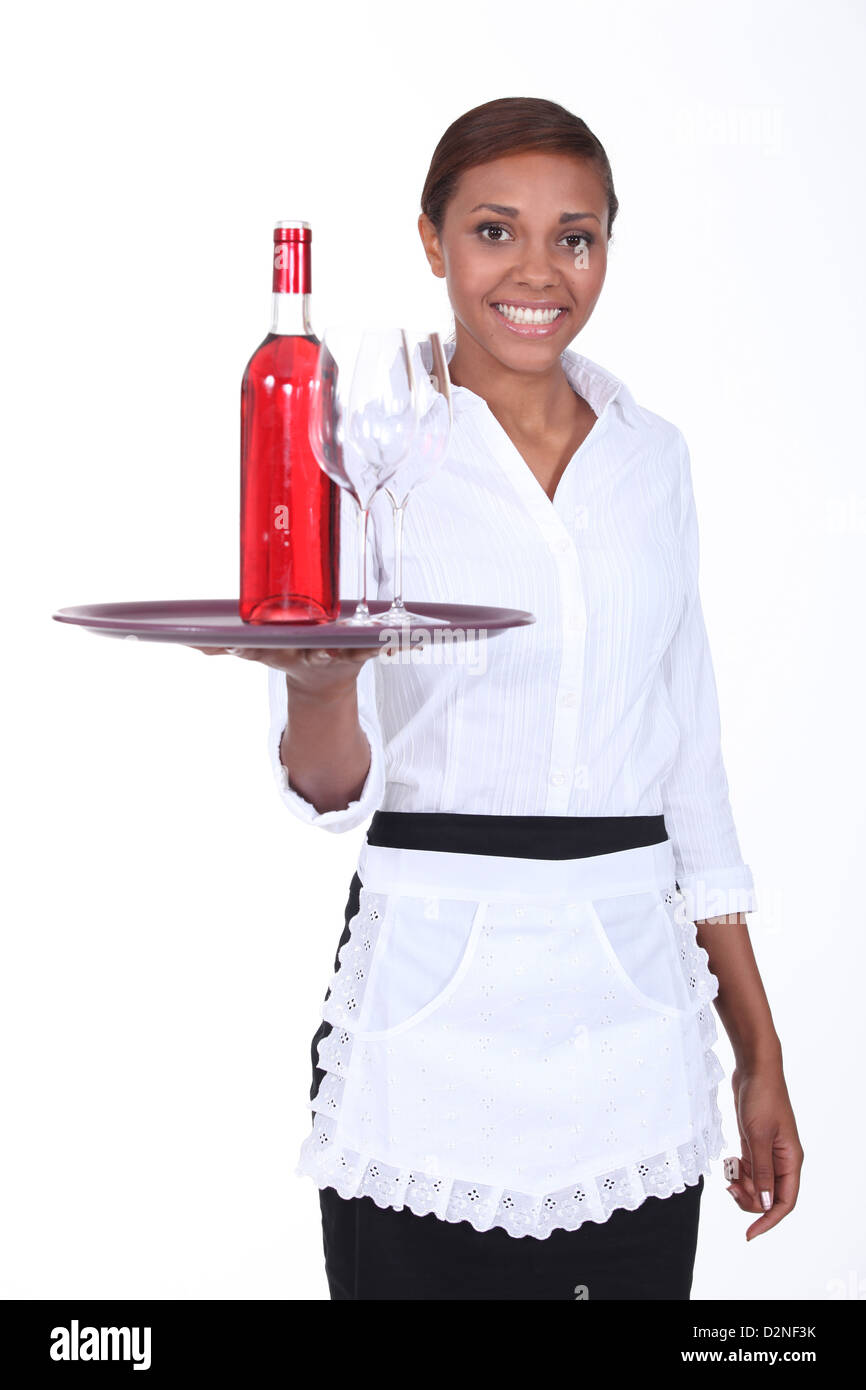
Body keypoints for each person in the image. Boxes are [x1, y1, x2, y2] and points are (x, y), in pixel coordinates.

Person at [199, 96, 803, 1300]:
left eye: (573, 238)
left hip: (628, 1025)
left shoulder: (652, 458)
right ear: (430, 241)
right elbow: (325, 786)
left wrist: (757, 1047)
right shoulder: (362, 444)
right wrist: (322, 684)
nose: (537, 271)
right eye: (493, 231)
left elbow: (691, 768)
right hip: (428, 1009)